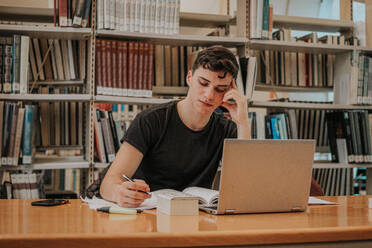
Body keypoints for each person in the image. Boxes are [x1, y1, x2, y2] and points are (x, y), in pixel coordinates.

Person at [100, 46, 251, 207]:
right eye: (203, 83)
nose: (209, 95)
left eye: (219, 89)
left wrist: (242, 122)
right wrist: (120, 193)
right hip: (147, 214)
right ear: (189, 78)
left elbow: (244, 188)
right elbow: (108, 184)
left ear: (229, 90)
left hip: (194, 217)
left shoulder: (226, 129)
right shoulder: (151, 120)